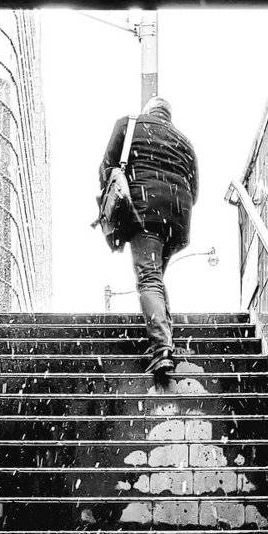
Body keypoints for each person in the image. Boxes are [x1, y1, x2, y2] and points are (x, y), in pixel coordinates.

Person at [99, 96, 199, 383]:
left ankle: (161, 348)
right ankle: (164, 340)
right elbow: (195, 189)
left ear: (149, 111)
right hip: (177, 219)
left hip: (144, 212)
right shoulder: (184, 141)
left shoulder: (129, 124)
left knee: (149, 278)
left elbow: (106, 168)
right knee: (154, 277)